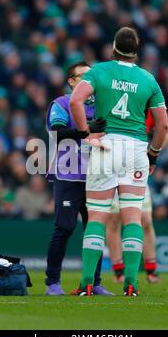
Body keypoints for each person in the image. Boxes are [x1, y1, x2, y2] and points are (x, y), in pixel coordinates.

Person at [70, 27, 168, 296]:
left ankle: (88, 283)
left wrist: (85, 133)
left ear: (113, 47)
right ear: (137, 51)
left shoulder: (100, 71)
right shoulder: (148, 80)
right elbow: (163, 127)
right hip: (136, 149)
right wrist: (153, 155)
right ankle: (132, 284)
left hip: (106, 145)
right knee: (133, 218)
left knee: (97, 218)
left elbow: (76, 101)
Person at [45, 61, 113, 296]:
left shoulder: (104, 104)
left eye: (91, 75)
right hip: (69, 175)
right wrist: (84, 130)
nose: (88, 79)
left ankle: (94, 283)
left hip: (97, 177)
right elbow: (56, 133)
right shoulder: (62, 103)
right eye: (83, 75)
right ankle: (52, 284)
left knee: (94, 230)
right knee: (64, 228)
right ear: (72, 81)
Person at [107, 112, 168, 285]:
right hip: (112, 167)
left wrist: (154, 150)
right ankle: (118, 270)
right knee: (113, 220)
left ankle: (151, 268)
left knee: (145, 219)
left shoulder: (147, 104)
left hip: (136, 166)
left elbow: (164, 130)